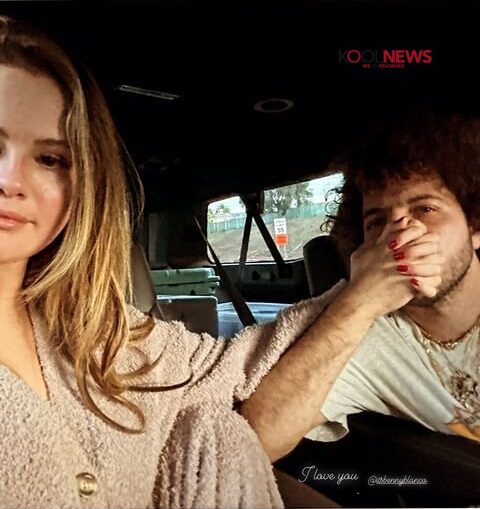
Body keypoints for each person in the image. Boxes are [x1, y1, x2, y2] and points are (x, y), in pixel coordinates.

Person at [1, 14, 424, 509]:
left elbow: (234, 369)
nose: (11, 180)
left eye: (50, 159)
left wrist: (362, 293)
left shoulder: (105, 337)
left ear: (80, 187)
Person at [241, 111, 480, 463]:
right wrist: (361, 300)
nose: (399, 234)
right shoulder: (360, 332)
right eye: (377, 222)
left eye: (425, 209)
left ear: (474, 227)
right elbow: (253, 439)